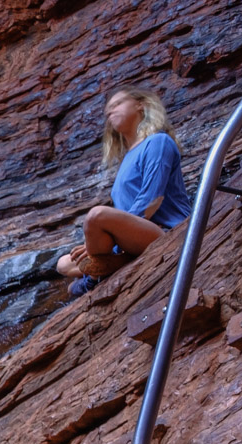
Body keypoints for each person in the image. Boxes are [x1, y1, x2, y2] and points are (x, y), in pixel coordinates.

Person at [55, 86, 190, 296]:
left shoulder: (158, 141)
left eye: (117, 104)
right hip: (132, 239)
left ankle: (94, 278)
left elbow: (152, 200)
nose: (110, 112)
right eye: (108, 111)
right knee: (63, 264)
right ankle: (111, 263)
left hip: (166, 231)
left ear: (140, 105)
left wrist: (97, 248)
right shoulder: (126, 160)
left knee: (96, 216)